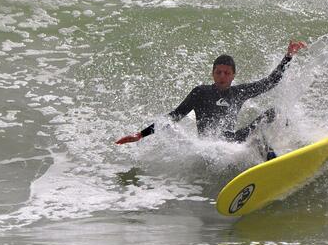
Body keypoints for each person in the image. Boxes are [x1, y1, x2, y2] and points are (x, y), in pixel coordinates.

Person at [115, 40, 306, 159]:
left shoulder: (239, 92)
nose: (222, 76)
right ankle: (266, 158)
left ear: (233, 75)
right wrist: (140, 135)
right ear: (213, 74)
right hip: (211, 147)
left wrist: (288, 56)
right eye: (218, 72)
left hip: (233, 140)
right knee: (253, 140)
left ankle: (275, 159)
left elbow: (270, 82)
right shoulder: (200, 93)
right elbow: (174, 115)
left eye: (226, 73)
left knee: (273, 114)